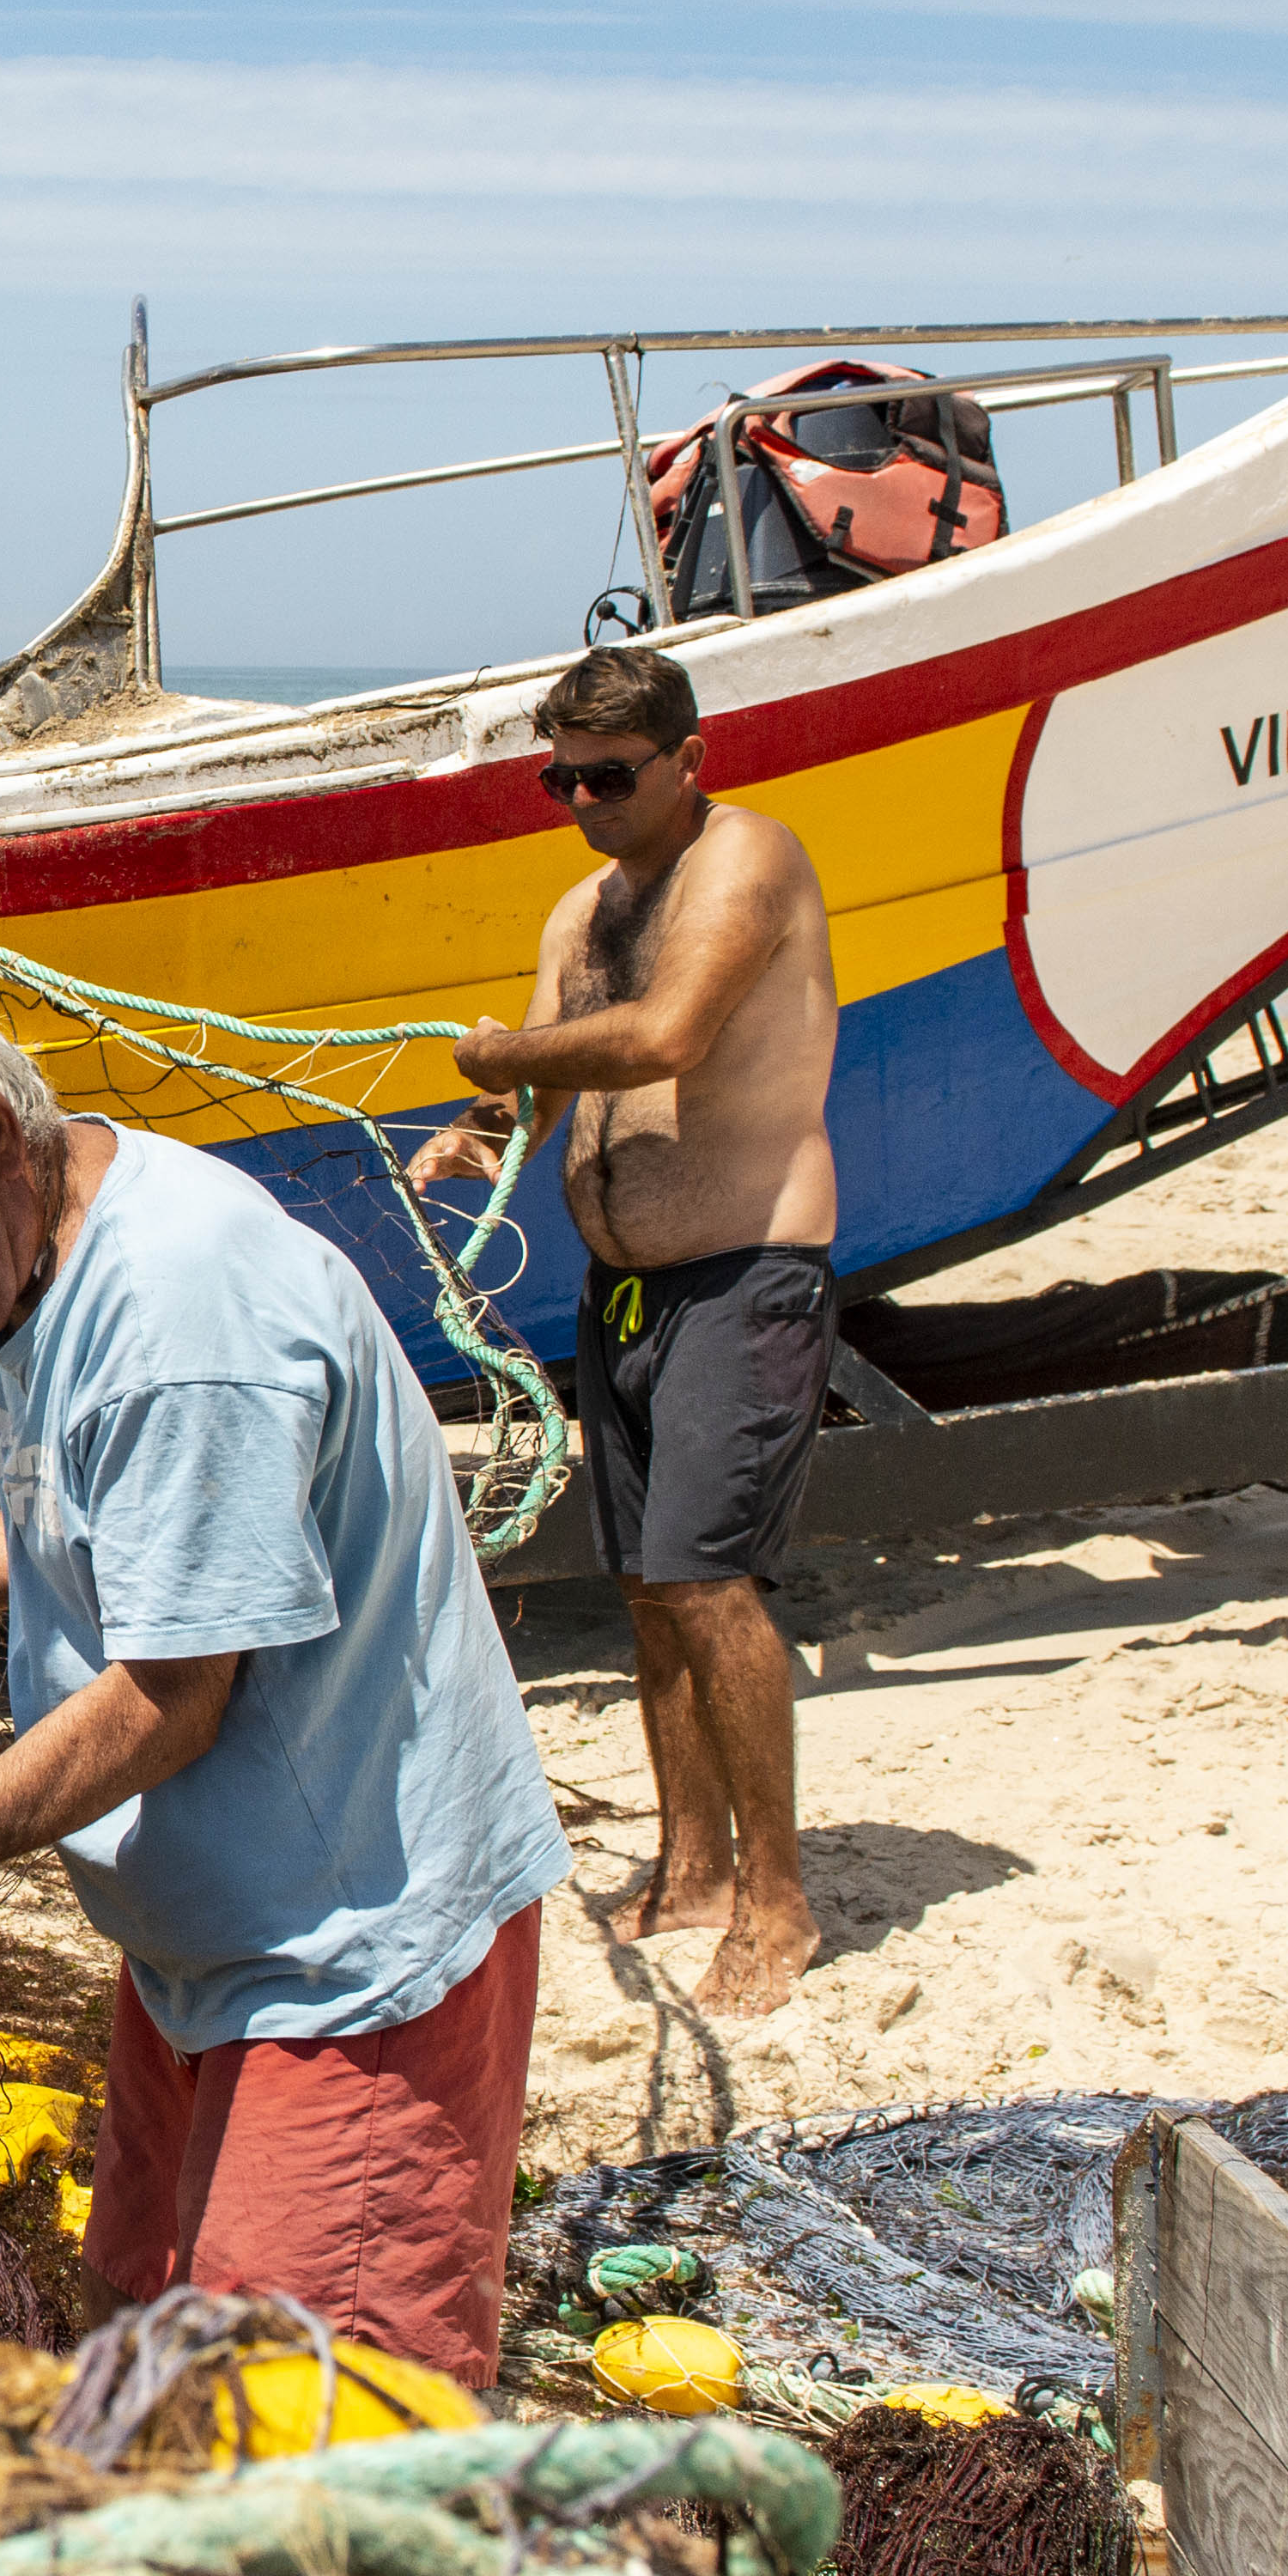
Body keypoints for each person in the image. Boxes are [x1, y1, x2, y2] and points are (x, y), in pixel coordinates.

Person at [0, 964, 566, 2389]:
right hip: (205, 1953)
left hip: (345, 1962)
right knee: (132, 2332)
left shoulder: (179, 1319)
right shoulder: (50, 1236)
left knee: (301, 2430)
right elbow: (111, 1510)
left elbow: (171, 1694)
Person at [406, 644, 841, 2013]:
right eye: (560, 776)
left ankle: (780, 1905)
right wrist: (482, 1131)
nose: (583, 799)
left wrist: (498, 1062)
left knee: (712, 1581)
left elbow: (666, 1037)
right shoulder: (576, 911)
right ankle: (693, 1866)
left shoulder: (747, 861)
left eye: (609, 775)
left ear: (686, 759)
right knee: (651, 1592)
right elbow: (545, 1074)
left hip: (748, 1269)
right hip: (629, 1290)